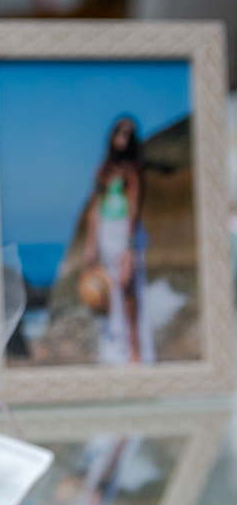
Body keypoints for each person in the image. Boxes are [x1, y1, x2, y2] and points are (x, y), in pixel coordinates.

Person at [81, 116, 155, 364]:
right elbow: (95, 209)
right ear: (112, 136)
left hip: (126, 232)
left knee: (128, 286)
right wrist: (90, 245)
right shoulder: (102, 171)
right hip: (106, 233)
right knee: (109, 291)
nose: (122, 139)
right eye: (119, 133)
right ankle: (115, 349)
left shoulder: (134, 171)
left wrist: (129, 247)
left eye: (127, 134)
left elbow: (134, 208)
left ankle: (136, 349)